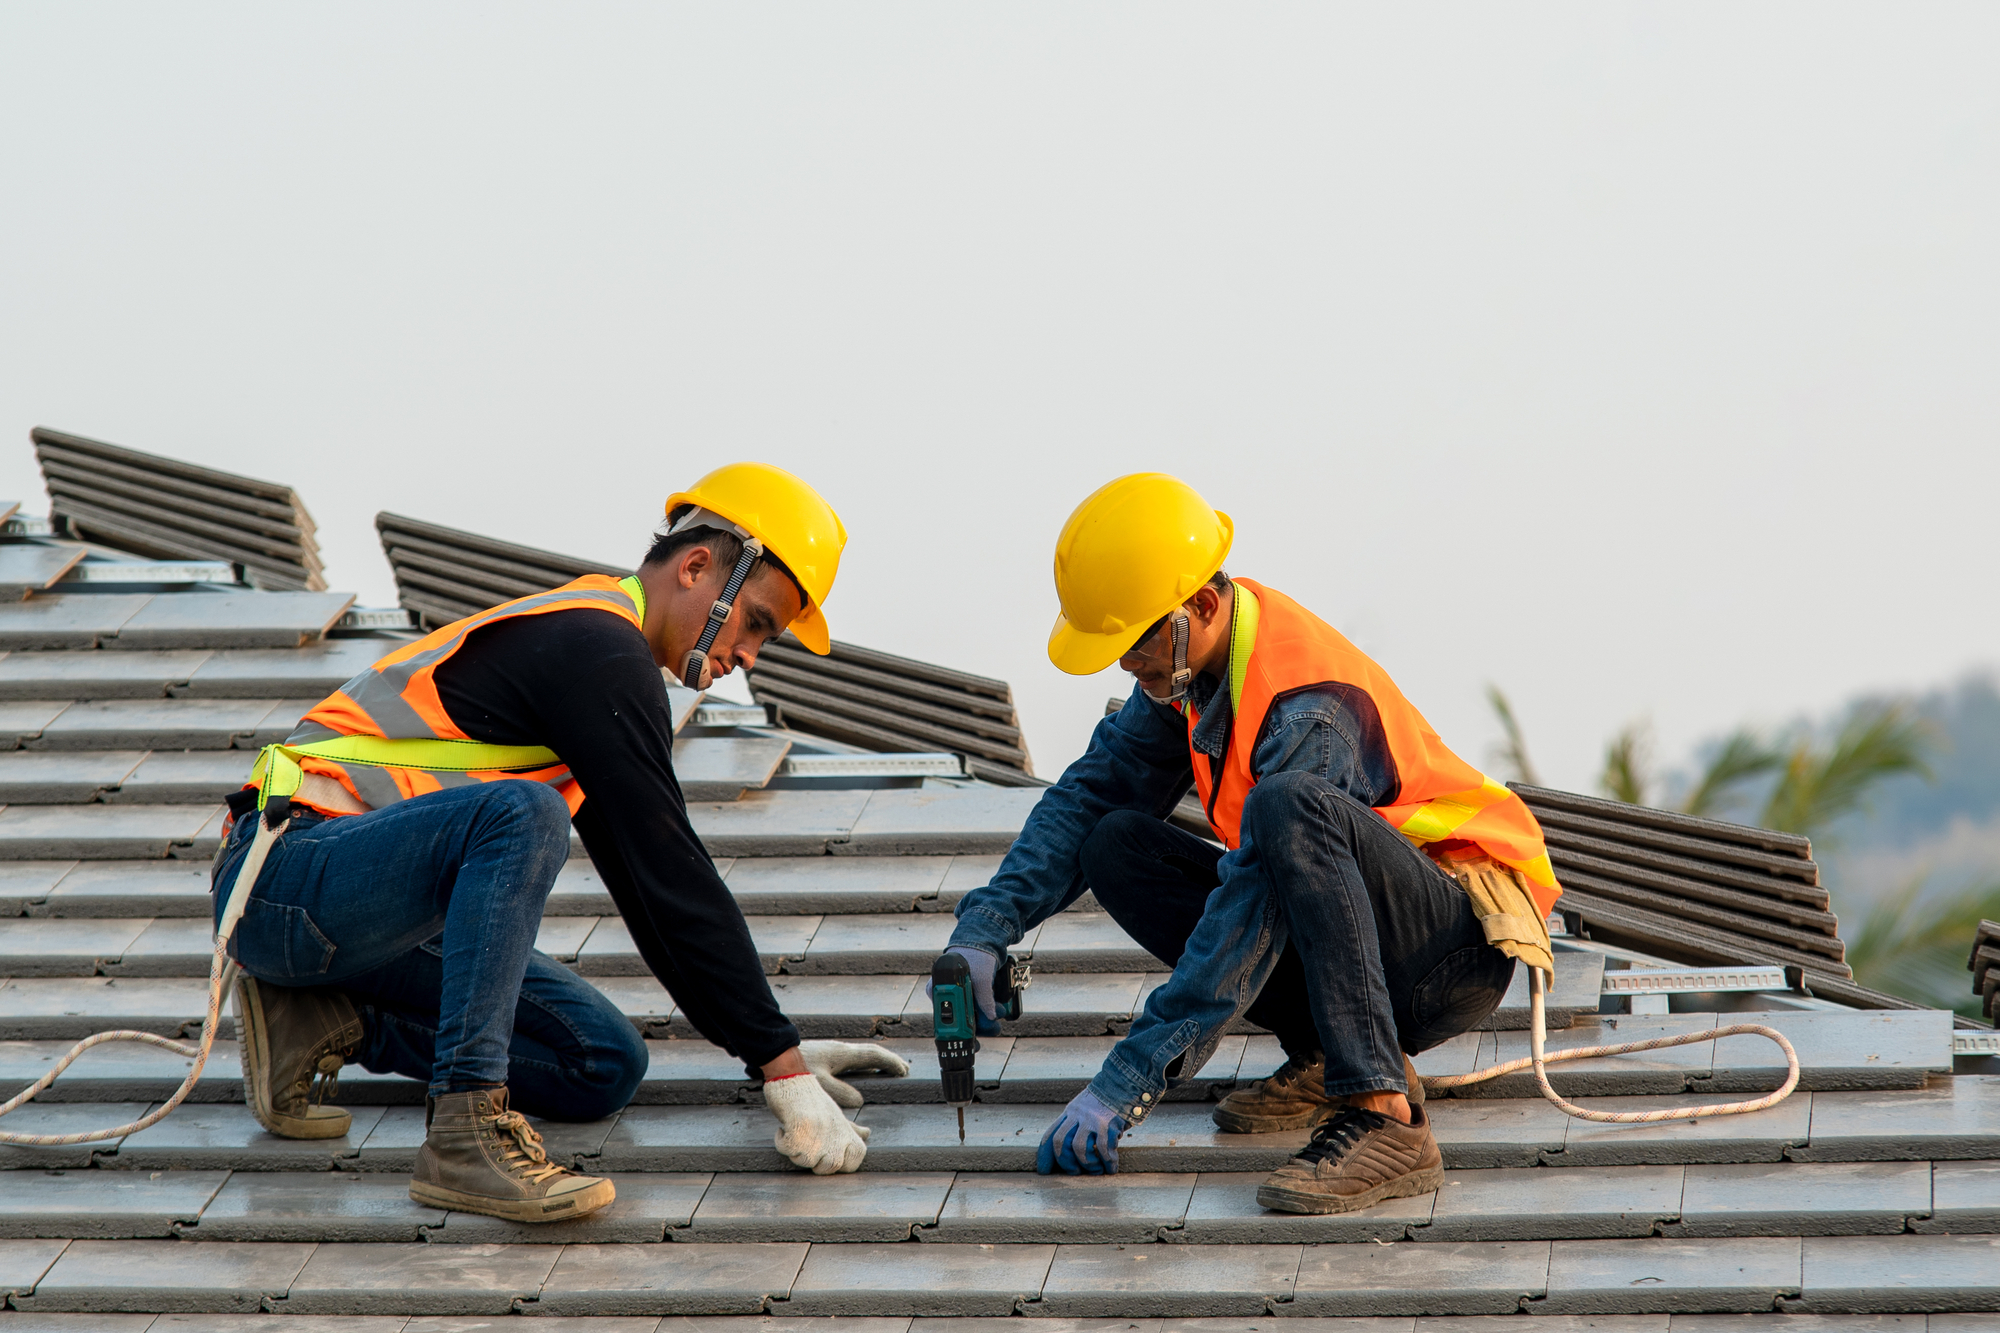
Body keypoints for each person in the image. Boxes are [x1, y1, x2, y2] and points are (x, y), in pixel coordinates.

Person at [212, 463, 905, 1223]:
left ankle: (323, 1018)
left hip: (354, 914)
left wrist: (775, 1053)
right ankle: (465, 1134)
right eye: (758, 623)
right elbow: (672, 871)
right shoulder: (598, 649)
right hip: (282, 878)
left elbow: (651, 889)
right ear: (698, 566)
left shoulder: (601, 662)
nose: (748, 656)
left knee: (601, 1060)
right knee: (526, 813)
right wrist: (780, 1063)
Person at [941, 473, 1561, 1214]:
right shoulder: (1193, 669)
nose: (1123, 663)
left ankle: (1384, 1112)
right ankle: (1334, 1048)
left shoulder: (1309, 711)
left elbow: (1249, 905)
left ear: (1200, 605)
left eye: (1132, 638)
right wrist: (986, 926)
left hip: (1452, 948)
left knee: (1286, 806)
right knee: (1116, 842)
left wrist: (1129, 1078)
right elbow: (1091, 794)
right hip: (1363, 945)